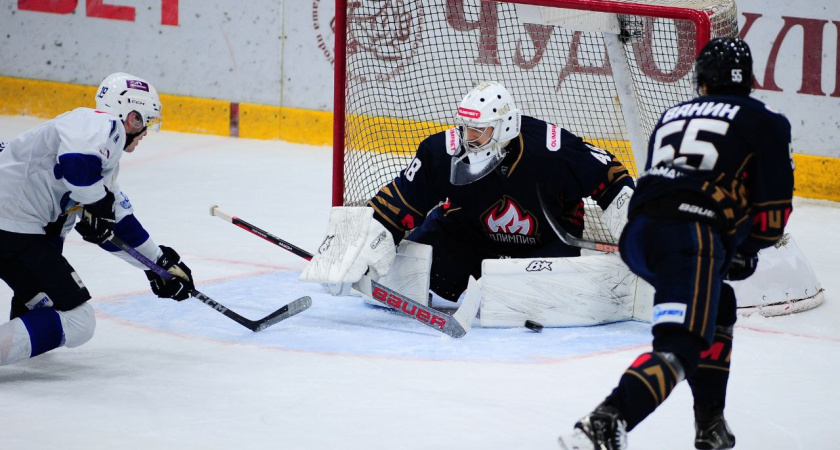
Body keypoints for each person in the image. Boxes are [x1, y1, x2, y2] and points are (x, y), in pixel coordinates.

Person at [558, 38, 794, 450]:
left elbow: (660, 183)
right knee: (680, 345)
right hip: (690, 236)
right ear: (750, 80)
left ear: (701, 79)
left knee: (718, 304)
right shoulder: (767, 120)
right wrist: (743, 247)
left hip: (640, 236)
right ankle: (606, 420)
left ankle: (710, 425)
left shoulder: (672, 114)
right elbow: (772, 219)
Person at [301, 80, 635, 303]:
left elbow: (612, 179)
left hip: (544, 245)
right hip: (467, 238)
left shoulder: (553, 149)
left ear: (506, 127)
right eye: (465, 128)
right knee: (419, 271)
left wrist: (638, 232)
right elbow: (397, 202)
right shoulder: (442, 152)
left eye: (479, 130)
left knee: (544, 295)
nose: (468, 138)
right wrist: (350, 250)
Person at [0, 72, 195, 365]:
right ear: (132, 116)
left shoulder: (101, 158)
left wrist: (159, 264)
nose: (145, 133)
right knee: (78, 321)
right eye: (146, 123)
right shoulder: (99, 124)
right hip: (11, 226)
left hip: (15, 228)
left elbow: (117, 222)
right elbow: (77, 168)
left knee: (49, 308)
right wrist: (99, 206)